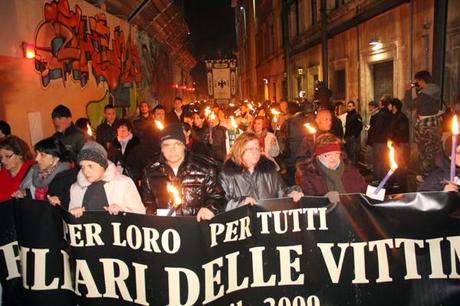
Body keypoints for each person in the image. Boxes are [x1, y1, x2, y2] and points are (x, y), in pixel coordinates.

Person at [141, 124, 224, 220]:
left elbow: (218, 197)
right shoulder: (150, 172)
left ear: (184, 145)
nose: (172, 149)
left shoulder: (205, 169)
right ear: (161, 149)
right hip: (166, 230)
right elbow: (148, 203)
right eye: (166, 145)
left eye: (177, 144)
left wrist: (210, 209)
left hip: (195, 227)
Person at [219, 132, 303, 211]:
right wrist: (240, 203)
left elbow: (281, 191)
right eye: (250, 149)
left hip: (267, 221)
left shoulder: (269, 171)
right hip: (243, 223)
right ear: (239, 150)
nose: (255, 152)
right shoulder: (227, 175)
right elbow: (221, 204)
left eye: (257, 148)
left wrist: (292, 193)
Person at [68, 141, 145, 217]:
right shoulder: (76, 188)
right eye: (82, 167)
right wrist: (73, 214)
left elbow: (140, 214)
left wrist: (123, 211)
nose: (85, 171)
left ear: (102, 165)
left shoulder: (123, 183)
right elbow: (70, 220)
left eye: (90, 166)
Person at [14, 137, 77, 210]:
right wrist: (24, 194)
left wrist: (59, 204)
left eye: (42, 155)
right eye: (37, 154)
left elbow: (69, 205)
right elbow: (36, 197)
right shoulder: (36, 171)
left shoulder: (68, 176)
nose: (36, 159)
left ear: (55, 159)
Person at [297, 133, 366, 199]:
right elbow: (311, 203)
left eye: (336, 154)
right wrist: (325, 198)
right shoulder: (310, 177)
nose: (333, 158)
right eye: (328, 155)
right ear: (318, 156)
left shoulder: (352, 171)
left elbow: (364, 192)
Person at [404, 70, 443, 181]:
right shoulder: (434, 90)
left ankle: (427, 176)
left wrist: (407, 91)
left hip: (426, 126)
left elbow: (410, 105)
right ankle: (432, 174)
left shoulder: (426, 95)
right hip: (433, 123)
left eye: (417, 81)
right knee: (433, 149)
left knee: (426, 150)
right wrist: (418, 90)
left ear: (421, 80)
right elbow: (423, 103)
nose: (416, 84)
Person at [0, 136, 34, 202]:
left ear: (20, 154)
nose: (3, 161)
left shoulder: (33, 171)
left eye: (7, 156)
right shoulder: (2, 173)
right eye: (1, 157)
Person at [388, 98, 410, 191]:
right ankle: (397, 182)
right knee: (396, 163)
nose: (389, 107)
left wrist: (394, 139)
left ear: (394, 106)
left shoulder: (401, 117)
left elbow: (401, 131)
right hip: (396, 144)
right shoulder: (394, 116)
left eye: (390, 105)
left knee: (400, 164)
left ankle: (401, 184)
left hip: (400, 144)